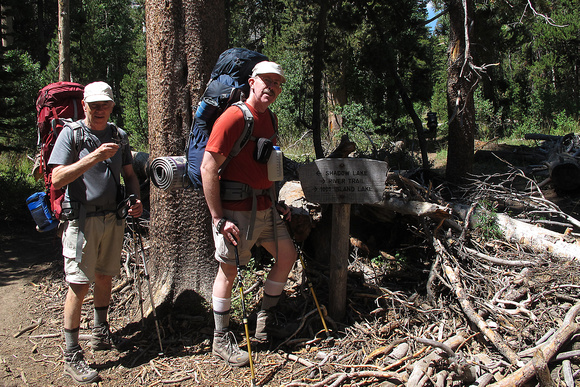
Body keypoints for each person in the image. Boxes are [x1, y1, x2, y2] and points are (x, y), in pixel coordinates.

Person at [200, 61, 297, 367]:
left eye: (277, 83)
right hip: (236, 213)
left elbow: (269, 164)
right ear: (252, 82)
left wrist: (276, 198)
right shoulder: (233, 117)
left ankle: (264, 321)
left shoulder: (271, 119)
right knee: (228, 272)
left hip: (266, 208)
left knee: (287, 256)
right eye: (266, 80)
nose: (272, 87)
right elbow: (208, 168)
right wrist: (218, 218)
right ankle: (220, 339)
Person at [49, 81, 143, 383]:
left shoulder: (119, 136)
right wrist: (94, 157)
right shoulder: (71, 135)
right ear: (85, 106)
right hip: (81, 222)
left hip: (112, 219)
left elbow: (129, 174)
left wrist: (135, 199)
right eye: (94, 104)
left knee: (105, 275)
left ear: (112, 105)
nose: (99, 109)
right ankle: (71, 355)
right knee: (78, 285)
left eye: (105, 103)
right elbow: (57, 178)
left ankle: (101, 333)